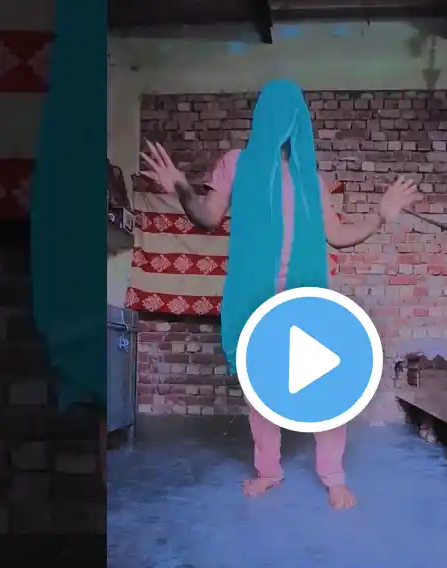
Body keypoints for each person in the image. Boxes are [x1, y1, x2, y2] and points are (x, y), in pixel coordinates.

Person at [140, 81, 419, 509]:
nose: (285, 120)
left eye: (294, 113)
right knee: (262, 386)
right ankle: (268, 471)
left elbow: (338, 234)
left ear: (301, 123)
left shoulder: (312, 180)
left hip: (305, 296)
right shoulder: (236, 163)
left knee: (329, 381)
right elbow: (208, 216)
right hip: (255, 297)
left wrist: (381, 217)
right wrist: (181, 186)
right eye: (276, 109)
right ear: (262, 116)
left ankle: (333, 476)